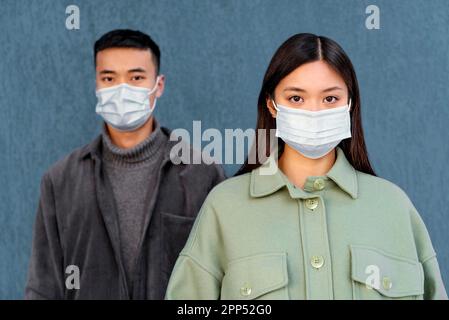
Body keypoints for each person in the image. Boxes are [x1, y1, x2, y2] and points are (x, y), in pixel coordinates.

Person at [165, 33, 447, 300]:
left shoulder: (393, 207)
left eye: (330, 98)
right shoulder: (225, 207)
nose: (314, 112)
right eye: (296, 98)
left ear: (349, 104)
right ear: (272, 104)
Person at [25, 29, 225, 299]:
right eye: (109, 78)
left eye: (136, 77)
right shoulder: (60, 181)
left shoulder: (203, 174)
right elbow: (43, 288)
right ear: (96, 84)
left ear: (159, 85)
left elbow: (224, 278)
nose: (122, 89)